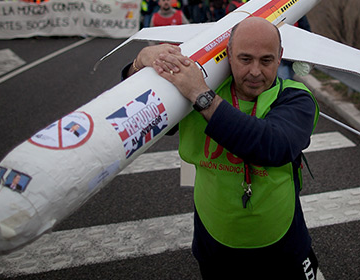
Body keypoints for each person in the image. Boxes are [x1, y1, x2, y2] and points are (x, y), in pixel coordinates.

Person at [125, 17, 319, 279]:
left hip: (282, 243)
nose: (255, 71)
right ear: (228, 54)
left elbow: (273, 146)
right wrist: (140, 62)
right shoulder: (198, 88)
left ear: (280, 57)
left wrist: (201, 96)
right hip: (215, 243)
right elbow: (137, 116)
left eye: (266, 60)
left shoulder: (295, 97)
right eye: (245, 59)